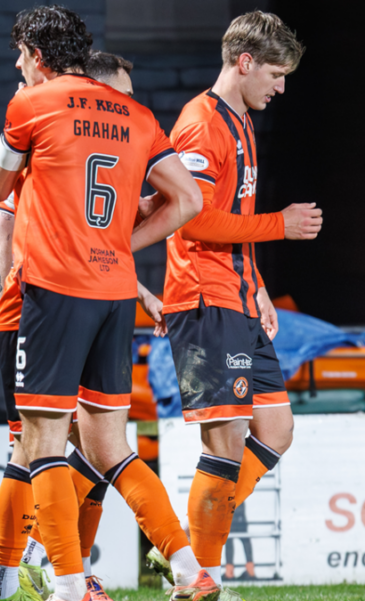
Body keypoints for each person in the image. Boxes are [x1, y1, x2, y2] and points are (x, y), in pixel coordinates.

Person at [0, 6, 214, 601]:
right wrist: (118, 243)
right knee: (112, 449)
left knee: (38, 443)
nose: (17, 65)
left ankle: (63, 584)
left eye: (19, 55)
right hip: (116, 295)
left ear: (36, 56)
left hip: (54, 293)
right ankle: (190, 570)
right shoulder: (138, 114)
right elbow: (186, 199)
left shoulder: (30, 103)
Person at [143, 11, 311, 589]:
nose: (280, 86)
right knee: (226, 443)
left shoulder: (240, 121)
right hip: (204, 300)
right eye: (275, 72)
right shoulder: (200, 123)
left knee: (277, 430)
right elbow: (193, 222)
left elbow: (231, 219)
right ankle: (200, 577)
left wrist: (260, 286)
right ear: (244, 63)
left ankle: (187, 556)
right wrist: (279, 226)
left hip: (238, 298)